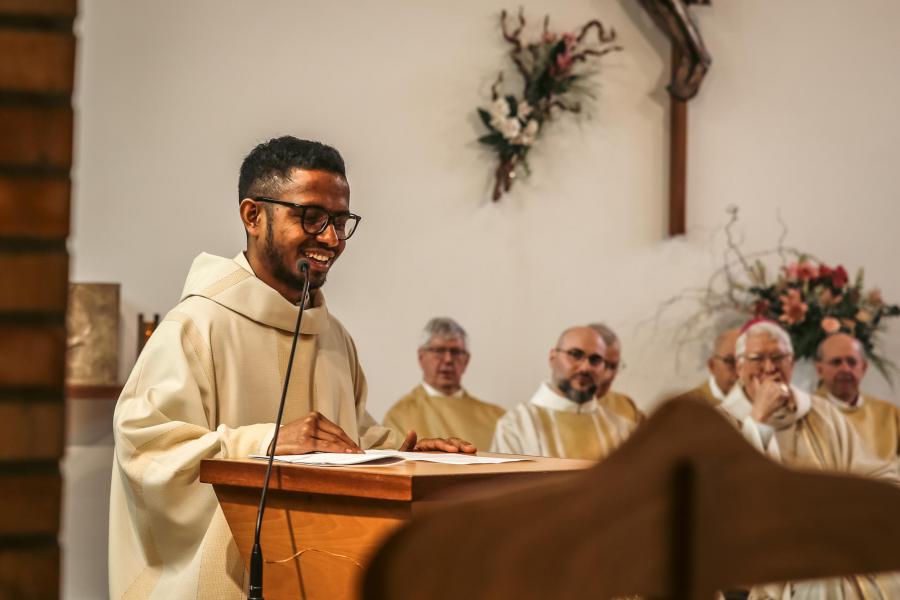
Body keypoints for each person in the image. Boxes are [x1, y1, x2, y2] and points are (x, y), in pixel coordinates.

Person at [108, 137, 473, 599]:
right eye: (312, 217)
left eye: (341, 222)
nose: (331, 239)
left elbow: (349, 437)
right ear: (253, 215)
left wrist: (407, 457)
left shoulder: (333, 336)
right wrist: (266, 442)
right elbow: (146, 448)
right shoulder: (196, 326)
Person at [719, 320, 900, 598]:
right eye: (757, 359)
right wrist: (758, 421)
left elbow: (869, 471)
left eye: (778, 357)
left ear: (791, 363)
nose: (769, 368)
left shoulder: (821, 413)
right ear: (740, 367)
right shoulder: (722, 419)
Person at [490, 325, 635, 460]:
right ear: (552, 357)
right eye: (575, 354)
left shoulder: (623, 431)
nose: (585, 367)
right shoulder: (516, 425)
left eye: (595, 360)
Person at [383, 317, 505, 450]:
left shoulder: (496, 417)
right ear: (421, 357)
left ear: (466, 360)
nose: (448, 359)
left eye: (455, 352)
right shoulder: (400, 415)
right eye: (439, 351)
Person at [815, 332, 900, 465]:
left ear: (864, 368)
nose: (845, 369)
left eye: (852, 362)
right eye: (836, 362)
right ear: (820, 369)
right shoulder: (805, 412)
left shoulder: (890, 414)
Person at [588, 323, 645, 425]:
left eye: (613, 367)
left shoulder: (627, 408)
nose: (608, 376)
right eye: (601, 365)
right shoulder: (551, 410)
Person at [668, 327, 740, 406]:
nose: (740, 372)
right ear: (712, 365)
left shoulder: (752, 403)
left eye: (745, 361)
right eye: (730, 362)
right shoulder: (685, 407)